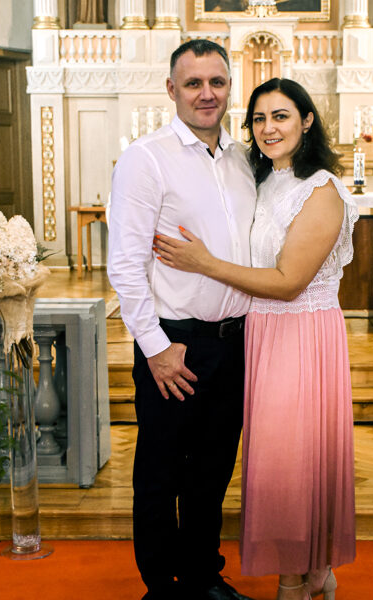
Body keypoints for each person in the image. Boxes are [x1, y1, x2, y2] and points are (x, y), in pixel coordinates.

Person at [154, 78, 357, 600]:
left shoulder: (322, 190)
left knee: (291, 461)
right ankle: (316, 571)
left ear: (307, 120)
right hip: (260, 333)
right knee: (281, 460)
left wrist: (204, 264)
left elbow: (289, 283)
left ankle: (294, 583)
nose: (268, 128)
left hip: (301, 336)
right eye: (259, 119)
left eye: (281, 116)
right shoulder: (262, 181)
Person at [107, 39, 257, 600]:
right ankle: (162, 587)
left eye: (217, 82)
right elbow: (125, 264)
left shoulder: (243, 160)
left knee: (212, 471)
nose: (206, 93)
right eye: (193, 83)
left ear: (230, 87)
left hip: (234, 342)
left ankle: (201, 576)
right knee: (160, 473)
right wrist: (155, 346)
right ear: (172, 89)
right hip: (175, 342)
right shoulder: (146, 159)